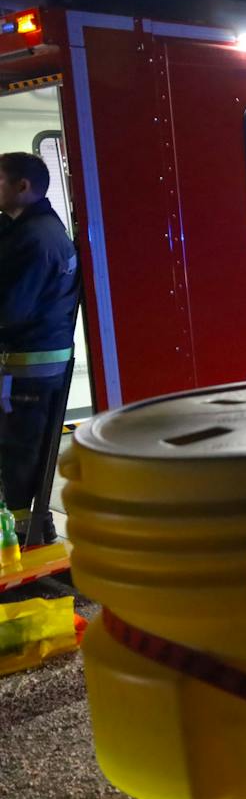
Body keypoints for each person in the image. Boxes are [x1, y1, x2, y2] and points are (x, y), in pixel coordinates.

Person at [0, 151, 78, 544]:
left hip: (28, 365)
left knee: (18, 451)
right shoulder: (33, 229)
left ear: (22, 186)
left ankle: (22, 532)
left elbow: (12, 308)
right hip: (34, 363)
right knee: (21, 447)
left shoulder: (34, 239)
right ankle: (30, 526)